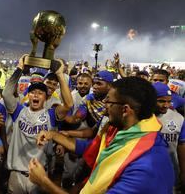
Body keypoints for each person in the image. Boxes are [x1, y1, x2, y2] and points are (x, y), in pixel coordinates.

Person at [29, 77, 174, 193]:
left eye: (109, 101)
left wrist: (44, 182)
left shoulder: (146, 168)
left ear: (125, 110)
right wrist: (53, 134)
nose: (104, 105)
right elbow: (92, 148)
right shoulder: (123, 131)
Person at [2, 55, 73, 193]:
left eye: (40, 93)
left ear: (46, 98)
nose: (35, 95)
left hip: (38, 177)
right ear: (28, 95)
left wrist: (59, 74)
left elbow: (69, 104)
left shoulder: (51, 115)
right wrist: (19, 68)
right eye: (33, 92)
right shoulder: (19, 111)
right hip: (16, 175)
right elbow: (6, 94)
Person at [153, 82, 185, 193]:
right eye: (161, 101)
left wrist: (183, 172)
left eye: (169, 101)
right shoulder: (138, 118)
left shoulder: (178, 119)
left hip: (170, 173)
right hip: (145, 174)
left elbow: (181, 145)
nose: (166, 105)